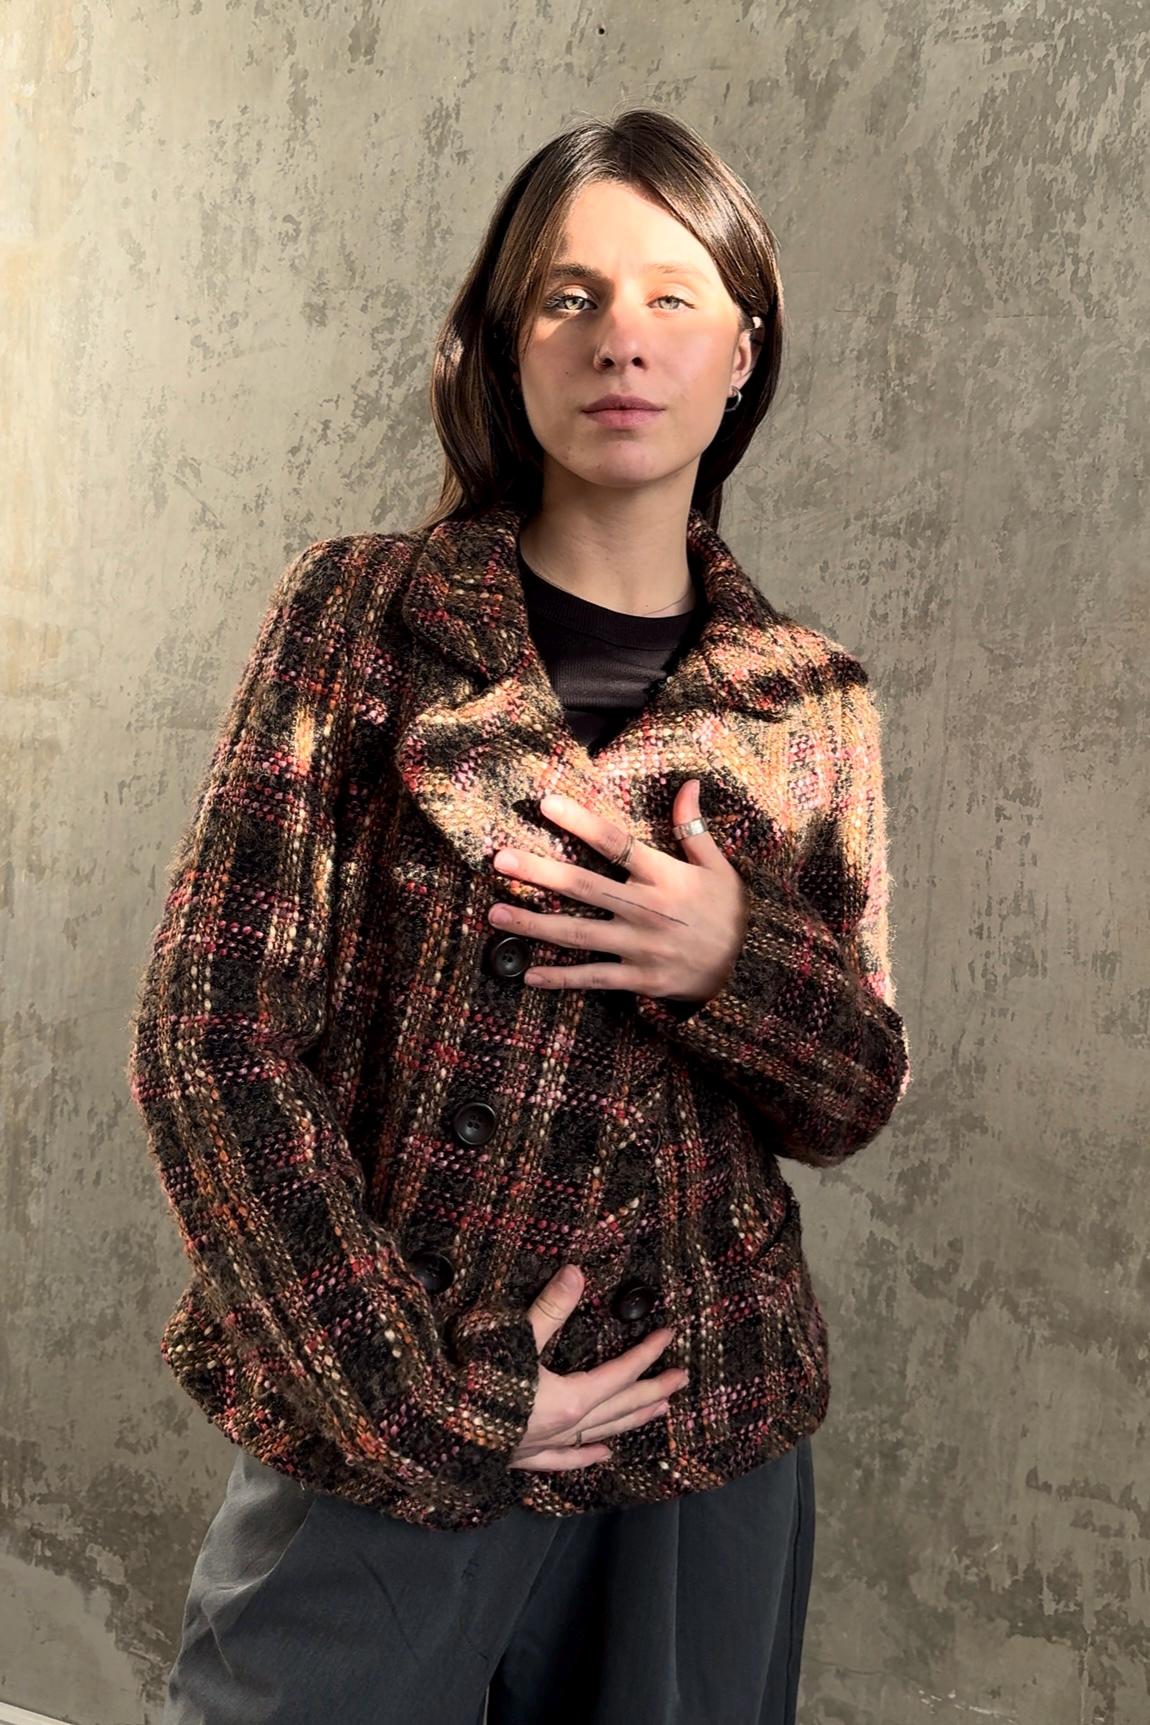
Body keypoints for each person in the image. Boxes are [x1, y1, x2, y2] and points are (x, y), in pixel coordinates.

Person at [129, 107, 910, 1725]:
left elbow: (851, 1087)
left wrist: (728, 962)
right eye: (565, 297)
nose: (620, 338)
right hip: (396, 1382)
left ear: (741, 351)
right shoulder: (361, 613)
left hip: (702, 1433)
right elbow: (211, 1036)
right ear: (503, 344)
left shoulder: (810, 696)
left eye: (669, 296)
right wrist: (424, 1397)